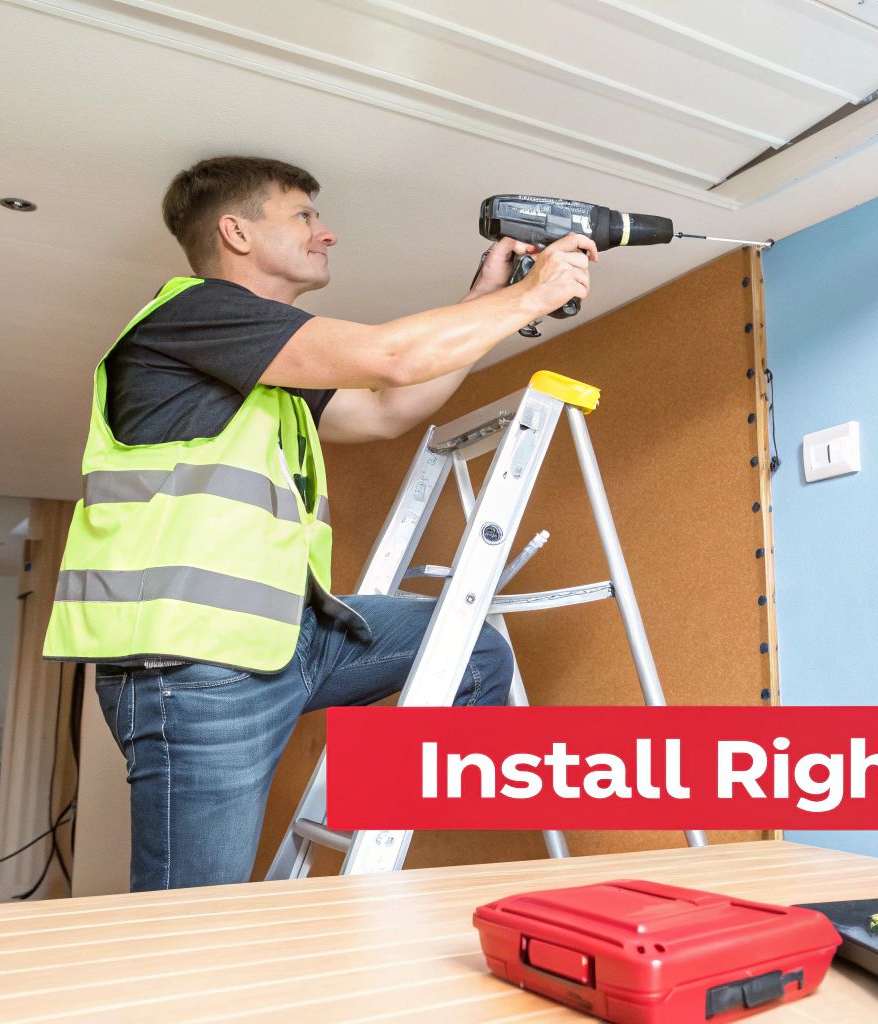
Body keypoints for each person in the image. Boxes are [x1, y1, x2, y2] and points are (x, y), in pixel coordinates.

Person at [42, 155, 597, 890]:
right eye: (303, 215)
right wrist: (532, 296)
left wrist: (483, 301)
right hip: (192, 664)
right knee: (191, 924)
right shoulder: (191, 315)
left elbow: (386, 410)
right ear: (235, 232)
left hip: (287, 639)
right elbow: (389, 359)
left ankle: (381, 817)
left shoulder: (260, 367)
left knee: (469, 650)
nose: (326, 233)